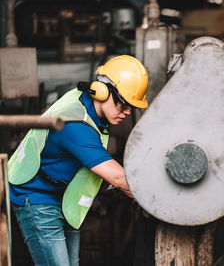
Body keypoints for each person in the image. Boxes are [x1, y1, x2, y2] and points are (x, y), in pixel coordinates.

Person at [7, 55, 148, 266]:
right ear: (102, 91)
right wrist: (155, 200)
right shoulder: (76, 127)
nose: (127, 112)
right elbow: (119, 178)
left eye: (132, 107)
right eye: (123, 104)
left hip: (64, 198)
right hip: (37, 198)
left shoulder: (85, 102)